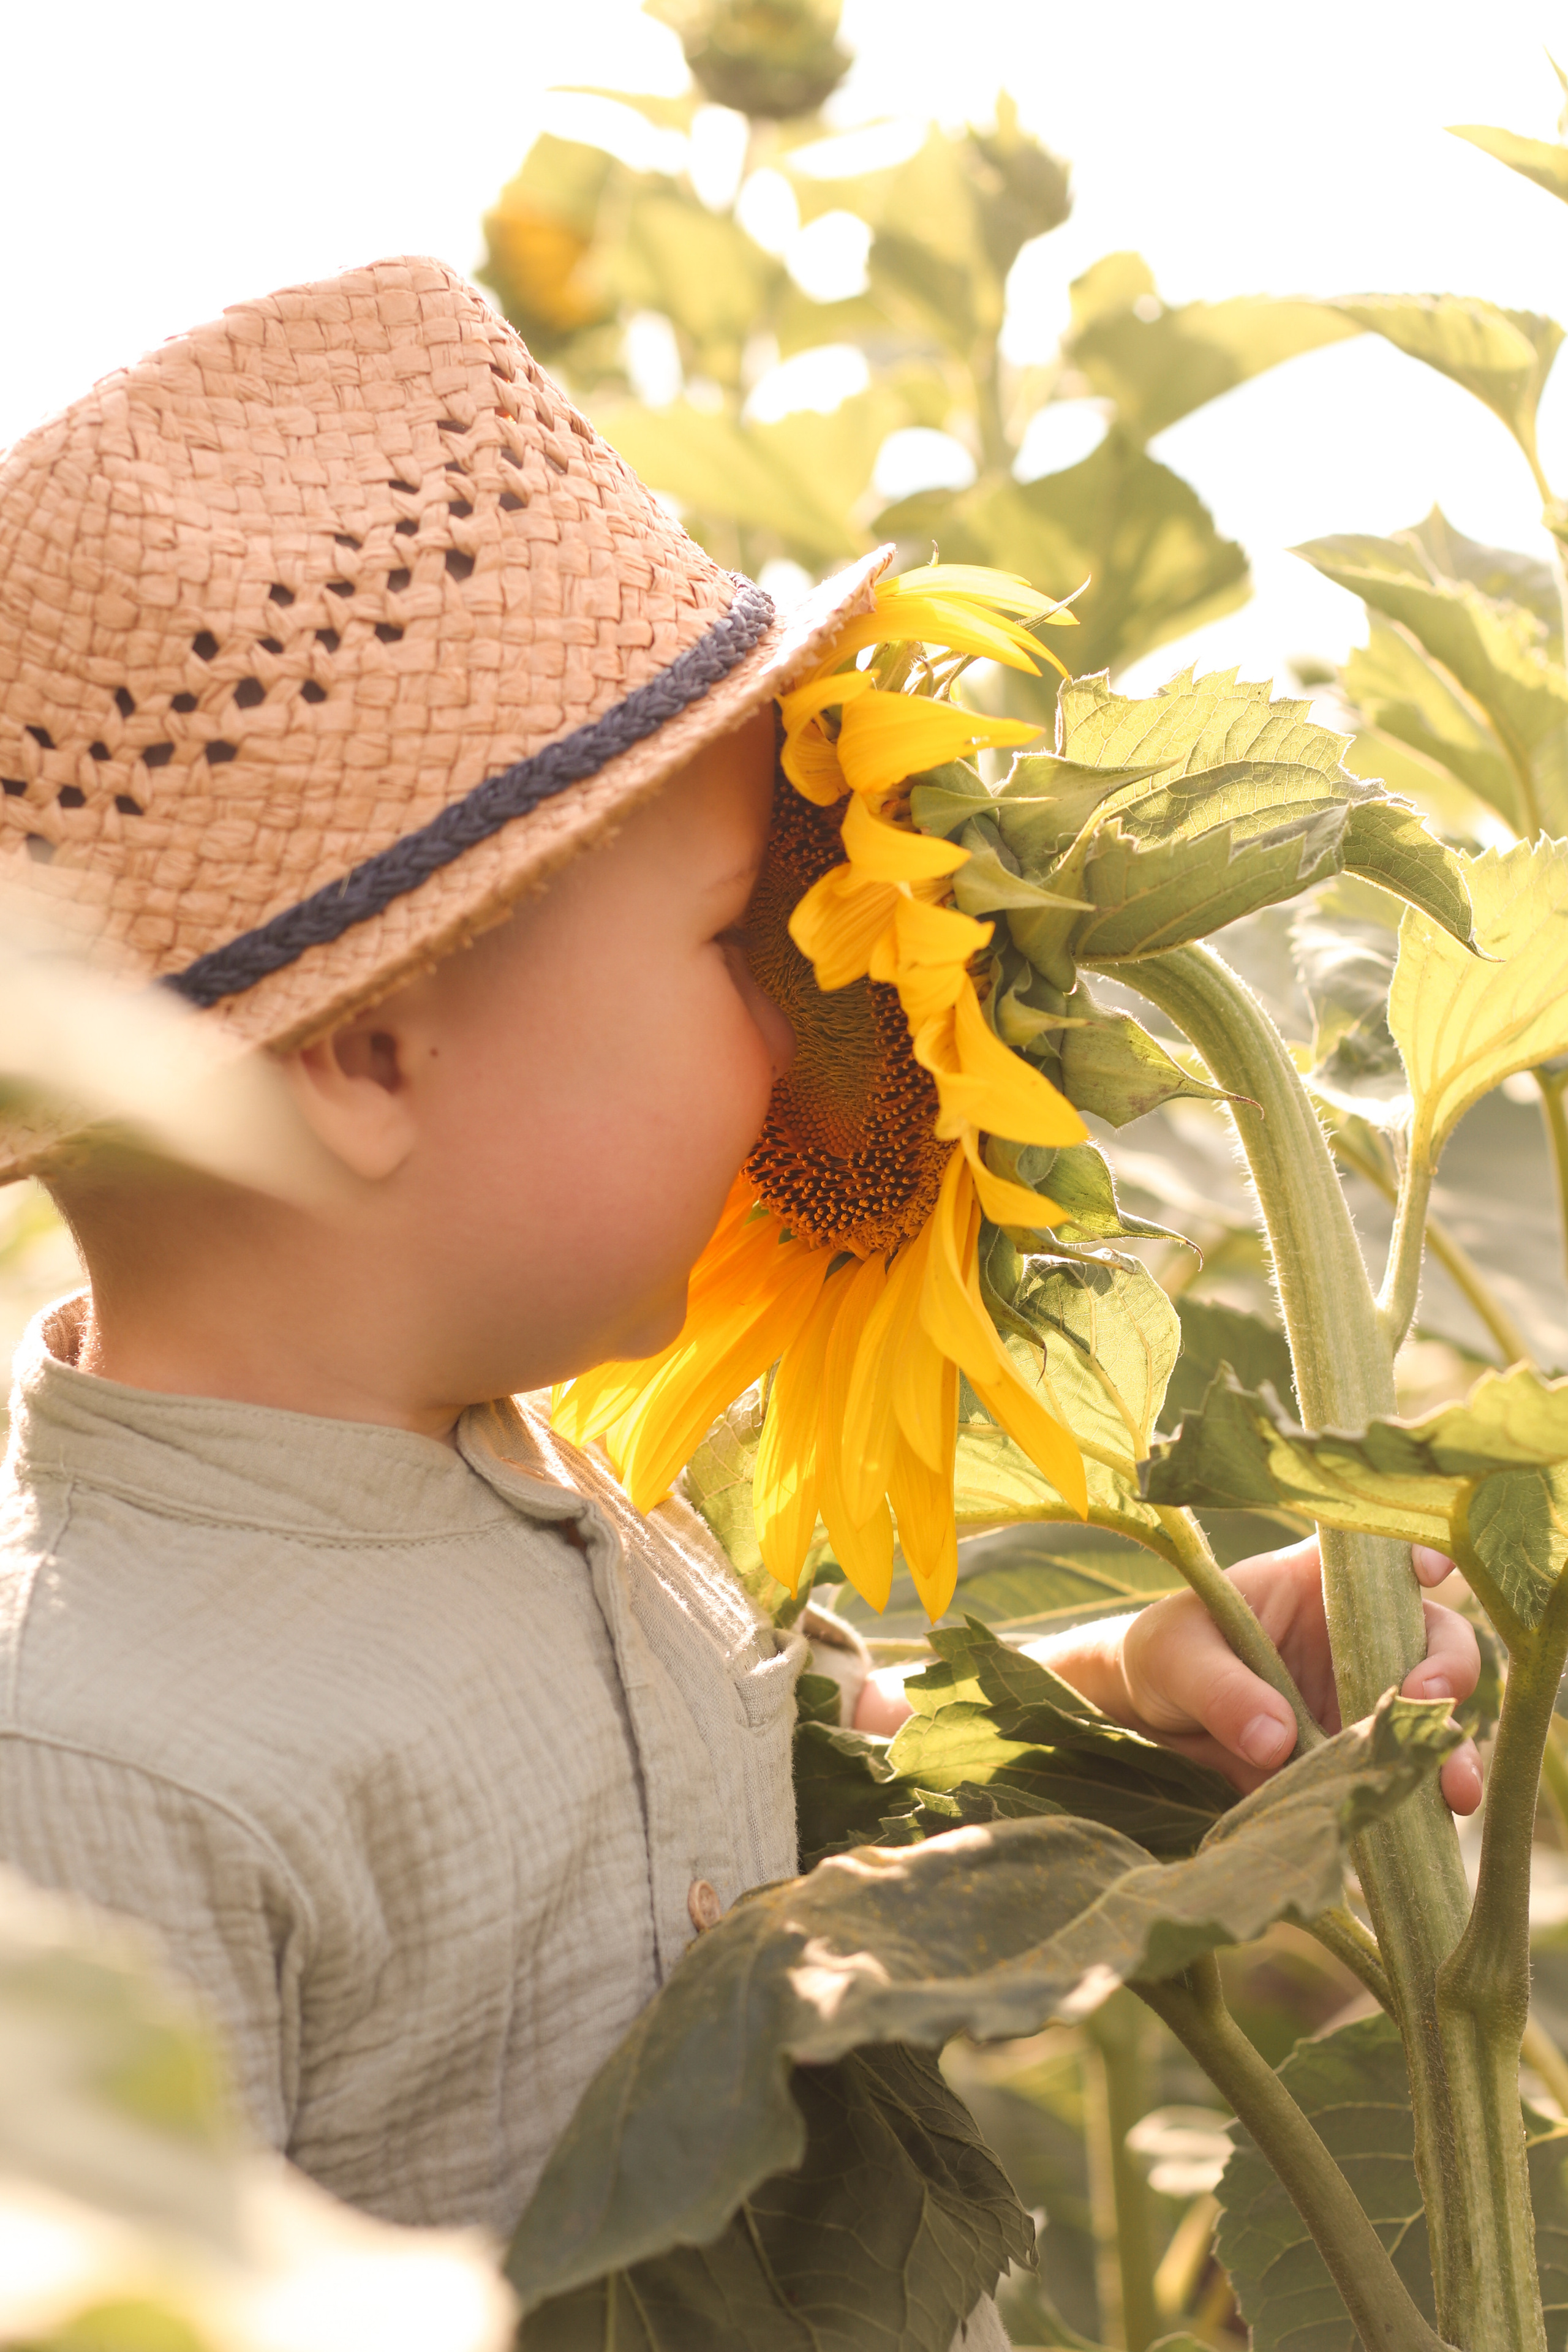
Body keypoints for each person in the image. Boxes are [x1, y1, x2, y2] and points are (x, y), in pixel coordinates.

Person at [0, 258, 1480, 2346]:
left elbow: (763, 1790)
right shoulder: (98, 1773)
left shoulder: (525, 1462)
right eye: (736, 943)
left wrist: (1134, 1680)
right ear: (371, 1060)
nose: (810, 1032)